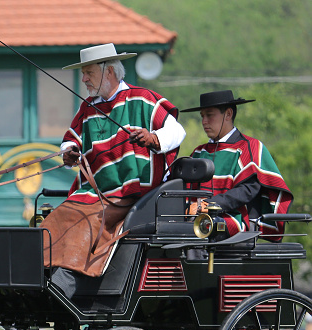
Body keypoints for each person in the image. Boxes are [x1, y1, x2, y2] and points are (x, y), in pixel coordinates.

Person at [40, 43, 185, 295]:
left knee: (83, 218)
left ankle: (65, 284)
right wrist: (69, 152)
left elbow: (176, 132)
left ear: (108, 72)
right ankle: (45, 275)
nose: (83, 79)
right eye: (83, 73)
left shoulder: (142, 98)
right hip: (96, 194)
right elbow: (70, 139)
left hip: (134, 196)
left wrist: (153, 139)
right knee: (59, 215)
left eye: (89, 73)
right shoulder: (88, 107)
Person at [180, 90, 292, 240]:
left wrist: (209, 205)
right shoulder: (199, 152)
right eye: (202, 116)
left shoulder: (249, 147)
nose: (204, 121)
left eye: (209, 115)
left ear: (228, 114)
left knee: (201, 230)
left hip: (236, 219)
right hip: (198, 219)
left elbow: (248, 190)